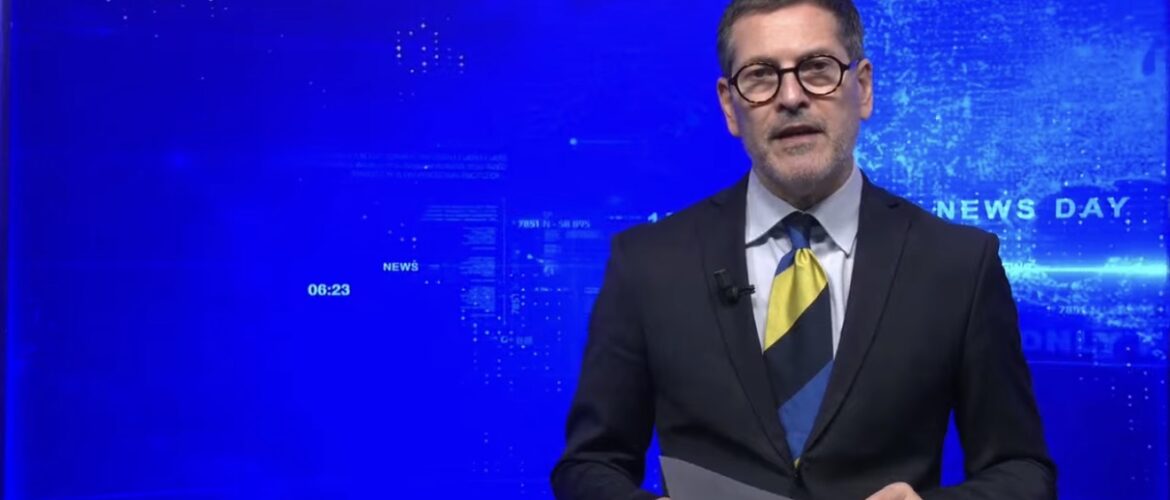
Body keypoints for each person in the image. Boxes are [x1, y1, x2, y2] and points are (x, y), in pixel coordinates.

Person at [550, 0, 1056, 499]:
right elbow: (588, 465)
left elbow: (1022, 471)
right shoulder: (648, 264)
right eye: (760, 76)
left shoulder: (959, 264)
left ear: (862, 88)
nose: (791, 96)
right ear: (729, 105)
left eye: (817, 68)